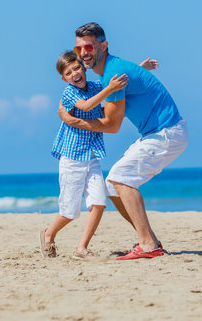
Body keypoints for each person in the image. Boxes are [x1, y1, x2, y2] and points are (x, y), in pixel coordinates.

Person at [58, 22, 188, 260]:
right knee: (111, 184)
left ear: (103, 45)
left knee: (121, 177)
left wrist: (73, 121)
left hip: (166, 132)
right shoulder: (112, 72)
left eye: (88, 46)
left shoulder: (112, 74)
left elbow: (112, 125)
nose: (84, 53)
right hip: (157, 133)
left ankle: (148, 245)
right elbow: (128, 84)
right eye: (79, 49)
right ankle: (149, 240)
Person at [41, 51, 156, 259]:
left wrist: (141, 68)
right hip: (72, 158)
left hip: (91, 156)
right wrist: (109, 89)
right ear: (63, 78)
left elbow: (118, 85)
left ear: (83, 68)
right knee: (70, 212)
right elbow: (86, 105)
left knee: (99, 203)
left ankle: (81, 249)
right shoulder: (69, 93)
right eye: (69, 72)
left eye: (77, 68)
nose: (75, 73)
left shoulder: (95, 87)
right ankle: (48, 234)